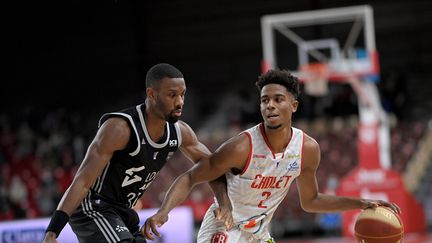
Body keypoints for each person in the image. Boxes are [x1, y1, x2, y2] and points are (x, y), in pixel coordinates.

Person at [143, 69, 401, 243]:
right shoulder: (242, 146)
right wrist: (164, 211)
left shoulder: (307, 149)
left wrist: (361, 203)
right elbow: (190, 177)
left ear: (294, 106)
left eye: (278, 99)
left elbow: (311, 201)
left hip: (259, 234)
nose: (270, 106)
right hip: (224, 229)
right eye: (265, 100)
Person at [43, 63, 230, 243]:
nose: (180, 102)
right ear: (151, 94)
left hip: (123, 211)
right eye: (172, 95)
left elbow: (212, 166)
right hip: (93, 207)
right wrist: (53, 230)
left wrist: (224, 203)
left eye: (182, 95)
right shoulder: (119, 129)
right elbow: (82, 182)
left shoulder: (181, 132)